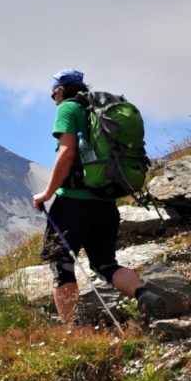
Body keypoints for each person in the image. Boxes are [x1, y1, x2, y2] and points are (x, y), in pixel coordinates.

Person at [32, 69, 165, 324]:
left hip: (72, 203)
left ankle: (71, 332)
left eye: (53, 96)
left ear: (61, 90)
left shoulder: (68, 109)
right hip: (105, 204)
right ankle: (143, 295)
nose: (55, 101)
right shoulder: (99, 109)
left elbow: (67, 153)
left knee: (62, 266)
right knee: (105, 265)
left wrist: (47, 193)